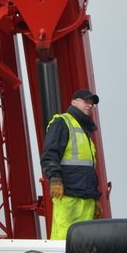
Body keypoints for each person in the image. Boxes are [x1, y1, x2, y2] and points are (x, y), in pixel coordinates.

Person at [40, 89, 103, 239]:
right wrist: (54, 179)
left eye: (92, 103)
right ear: (73, 102)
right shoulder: (63, 122)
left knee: (85, 241)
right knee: (64, 237)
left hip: (86, 197)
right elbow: (50, 154)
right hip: (68, 195)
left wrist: (95, 198)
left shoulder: (85, 131)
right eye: (86, 101)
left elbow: (89, 169)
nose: (89, 105)